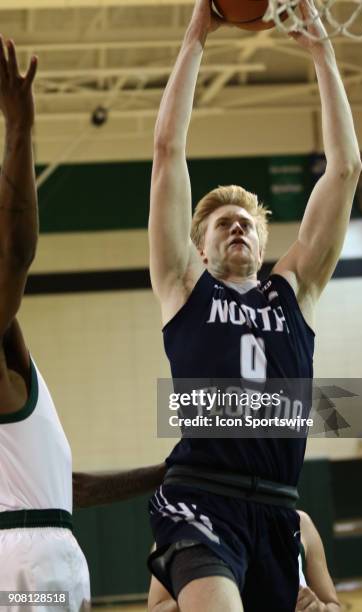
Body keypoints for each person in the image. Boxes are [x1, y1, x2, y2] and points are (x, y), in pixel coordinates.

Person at [147, 0, 361, 608]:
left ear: (265, 242)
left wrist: (323, 52)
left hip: (278, 506)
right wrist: (196, 38)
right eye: (222, 224)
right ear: (199, 245)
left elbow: (344, 169)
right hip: (199, 494)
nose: (236, 228)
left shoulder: (295, 289)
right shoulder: (185, 286)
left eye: (246, 223)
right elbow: (167, 153)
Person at [0, 39, 90, 611]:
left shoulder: (18, 368)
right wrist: (19, 130)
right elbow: (18, 253)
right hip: (24, 556)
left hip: (42, 543)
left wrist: (167, 471)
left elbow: (66, 489)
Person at [148, 510, 342, 612]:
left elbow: (334, 606)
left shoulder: (300, 523)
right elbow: (157, 609)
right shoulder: (179, 533)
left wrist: (320, 608)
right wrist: (206, 592)